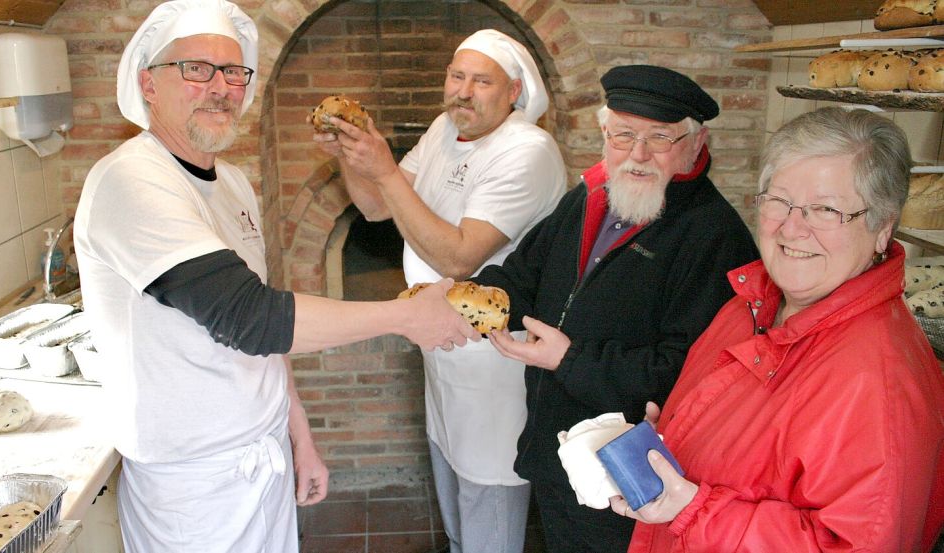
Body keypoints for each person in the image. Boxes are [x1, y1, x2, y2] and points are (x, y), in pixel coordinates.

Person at [73, 1, 478, 551]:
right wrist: (408, 315)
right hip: (192, 486)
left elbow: (262, 326)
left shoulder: (233, 182)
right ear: (149, 83)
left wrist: (298, 434)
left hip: (261, 453)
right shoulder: (131, 181)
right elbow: (251, 318)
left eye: (235, 72)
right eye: (196, 69)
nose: (221, 88)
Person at [613, 107, 944, 552]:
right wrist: (672, 440)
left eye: (825, 209)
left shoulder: (875, 381)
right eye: (779, 200)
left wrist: (696, 509)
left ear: (882, 228)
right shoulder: (750, 303)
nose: (792, 228)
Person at [469, 65, 760, 552]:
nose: (638, 154)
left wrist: (569, 359)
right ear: (605, 133)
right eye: (624, 135)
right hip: (555, 454)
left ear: (696, 141)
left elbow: (692, 378)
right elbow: (523, 275)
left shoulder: (715, 237)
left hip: (628, 481)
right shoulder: (589, 197)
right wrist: (469, 299)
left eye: (659, 138)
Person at [314, 29, 566, 553]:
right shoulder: (442, 130)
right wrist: (351, 155)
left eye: (482, 81)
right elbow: (378, 206)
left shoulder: (528, 150)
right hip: (441, 343)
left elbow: (459, 257)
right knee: (452, 479)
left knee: (488, 490)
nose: (463, 91)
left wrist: (383, 167)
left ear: (514, 91)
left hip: (495, 355)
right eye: (457, 76)